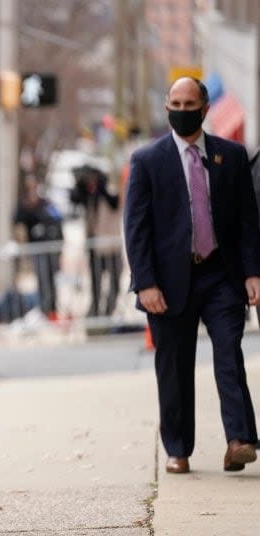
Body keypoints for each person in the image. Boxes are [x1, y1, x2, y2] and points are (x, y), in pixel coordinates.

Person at [124, 77, 260, 475]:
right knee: (174, 365)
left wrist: (254, 272)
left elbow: (248, 222)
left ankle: (240, 439)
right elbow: (136, 228)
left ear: (204, 109)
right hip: (167, 282)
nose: (181, 110)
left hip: (221, 275)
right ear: (167, 107)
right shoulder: (147, 160)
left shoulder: (231, 157)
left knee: (228, 352)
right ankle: (178, 449)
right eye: (175, 103)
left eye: (189, 103)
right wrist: (145, 283)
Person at [70, 164, 122, 317]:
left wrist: (100, 184)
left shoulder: (107, 192)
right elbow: (74, 199)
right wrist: (80, 184)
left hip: (111, 247)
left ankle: (108, 312)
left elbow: (114, 203)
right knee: (95, 285)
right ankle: (96, 314)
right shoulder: (88, 195)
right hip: (95, 248)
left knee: (114, 283)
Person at [14, 175, 63, 320]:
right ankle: (45, 310)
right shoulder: (24, 206)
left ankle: (52, 310)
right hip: (37, 250)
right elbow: (18, 221)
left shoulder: (45, 203)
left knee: (51, 280)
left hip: (50, 248)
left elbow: (56, 220)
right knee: (42, 280)